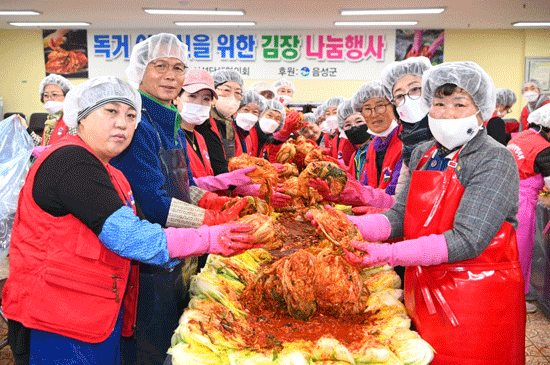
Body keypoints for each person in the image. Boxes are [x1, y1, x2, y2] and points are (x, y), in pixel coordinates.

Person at [2, 76, 258, 365]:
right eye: (110, 111)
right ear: (81, 117)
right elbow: (129, 237)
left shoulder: (111, 172)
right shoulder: (71, 162)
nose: (123, 123)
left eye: (131, 115)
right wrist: (209, 237)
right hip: (56, 319)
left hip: (91, 313)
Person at [343, 61, 525, 364]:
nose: (447, 112)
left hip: (476, 299)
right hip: (424, 288)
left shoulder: (494, 158)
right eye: (439, 103)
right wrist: (347, 227)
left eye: (459, 103)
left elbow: (467, 240)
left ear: (481, 109)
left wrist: (389, 255)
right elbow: (400, 216)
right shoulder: (424, 153)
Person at [110, 33, 249, 365]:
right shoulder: (139, 125)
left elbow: (184, 185)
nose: (171, 76)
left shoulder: (169, 121)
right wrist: (216, 222)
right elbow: (155, 204)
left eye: (178, 67)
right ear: (140, 71)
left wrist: (219, 203)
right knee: (151, 348)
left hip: (181, 251)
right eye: (160, 66)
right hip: (148, 260)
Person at [507, 103, 550, 314]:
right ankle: (515, 300)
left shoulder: (520, 137)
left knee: (507, 250)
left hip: (504, 196)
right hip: (522, 204)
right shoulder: (544, 148)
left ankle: (507, 293)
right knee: (520, 253)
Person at [380, 56, 433, 196]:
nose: (408, 99)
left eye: (415, 89)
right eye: (399, 96)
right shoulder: (408, 140)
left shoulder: (447, 136)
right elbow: (402, 192)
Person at [351, 80, 402, 196]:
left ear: (394, 107)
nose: (374, 114)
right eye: (367, 109)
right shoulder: (373, 146)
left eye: (380, 106)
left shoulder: (405, 143)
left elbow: (397, 192)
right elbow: (365, 184)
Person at [21, 74, 75, 146]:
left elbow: (73, 149)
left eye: (54, 94)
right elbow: (44, 145)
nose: (49, 99)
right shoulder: (50, 120)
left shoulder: (71, 120)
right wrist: (26, 128)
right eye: (46, 95)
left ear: (66, 96)